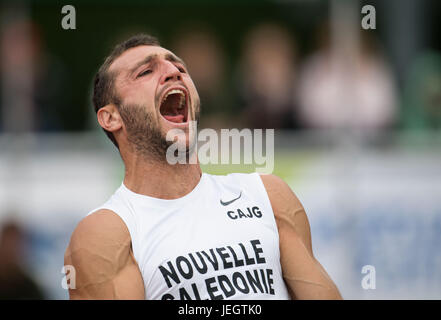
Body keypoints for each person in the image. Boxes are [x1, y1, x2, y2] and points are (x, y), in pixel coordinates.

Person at [64, 34, 342, 300]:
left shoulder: (267, 194)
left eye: (179, 67)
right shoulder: (108, 232)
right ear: (111, 117)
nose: (174, 72)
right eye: (145, 72)